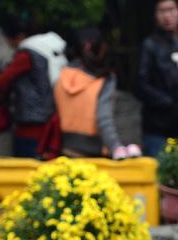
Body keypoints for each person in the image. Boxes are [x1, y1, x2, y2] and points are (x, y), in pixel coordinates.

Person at [54, 28, 140, 158]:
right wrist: (116, 147)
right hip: (95, 153)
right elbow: (103, 118)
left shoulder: (61, 75)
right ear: (100, 49)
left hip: (66, 149)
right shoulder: (104, 80)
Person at [0, 26, 67, 157]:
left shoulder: (26, 55)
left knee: (24, 172)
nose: (10, 45)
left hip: (28, 128)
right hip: (49, 124)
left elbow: (0, 83)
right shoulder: (49, 53)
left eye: (9, 40)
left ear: (19, 37)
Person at [136, 0, 178, 158]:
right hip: (157, 124)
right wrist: (166, 102)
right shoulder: (149, 45)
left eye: (171, 10)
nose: (167, 16)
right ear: (155, 15)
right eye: (162, 11)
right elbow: (140, 84)